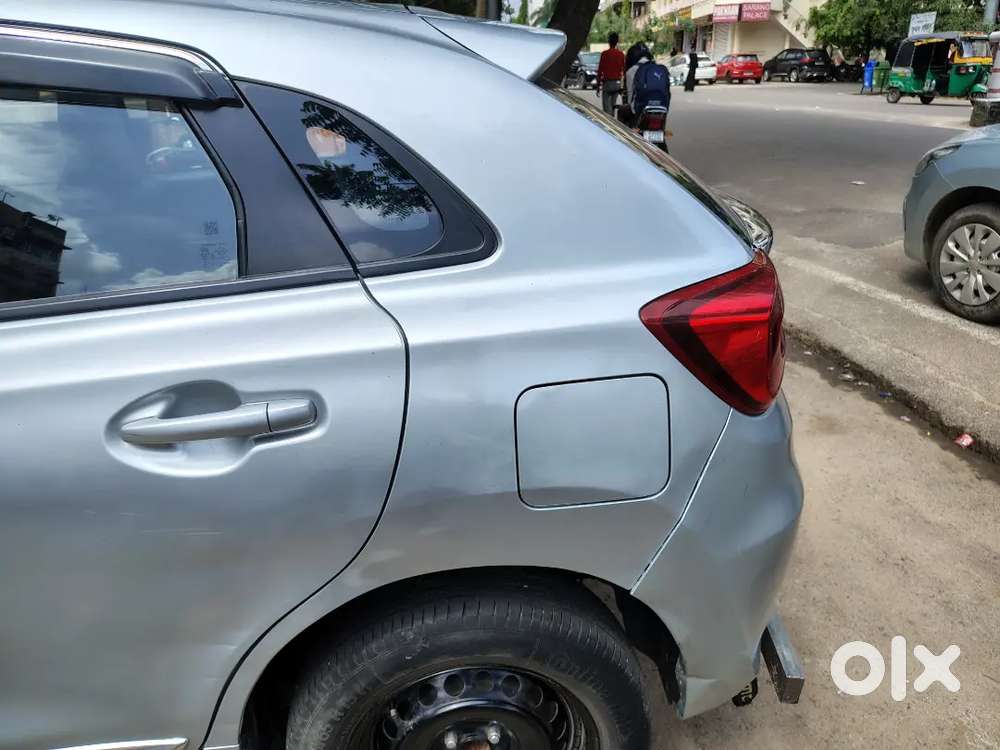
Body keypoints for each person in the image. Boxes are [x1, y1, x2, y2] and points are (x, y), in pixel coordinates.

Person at [597, 32, 625, 115]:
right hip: (617, 83)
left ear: (609, 42)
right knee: (613, 107)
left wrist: (598, 86)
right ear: (617, 42)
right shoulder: (621, 55)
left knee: (606, 109)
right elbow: (624, 70)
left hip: (607, 83)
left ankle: (608, 123)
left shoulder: (604, 54)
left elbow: (600, 71)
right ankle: (612, 121)